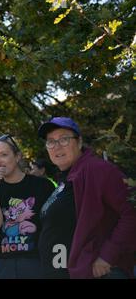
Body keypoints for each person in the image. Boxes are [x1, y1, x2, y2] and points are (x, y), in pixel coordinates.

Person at [37, 117, 136, 279]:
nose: (56, 146)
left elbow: (131, 211)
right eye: (50, 142)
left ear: (79, 142)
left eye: (64, 139)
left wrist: (107, 256)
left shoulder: (97, 169)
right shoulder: (66, 178)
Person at [0, 134, 53, 279]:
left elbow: (54, 226)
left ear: (17, 157)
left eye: (4, 155)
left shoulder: (42, 185)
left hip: (35, 263)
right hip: (2, 265)